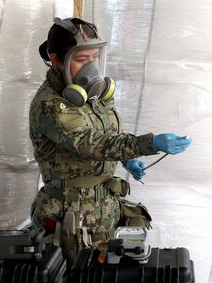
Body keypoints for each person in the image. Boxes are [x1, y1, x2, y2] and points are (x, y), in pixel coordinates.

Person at [29, 17, 191, 265]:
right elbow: (93, 144)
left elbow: (110, 135)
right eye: (82, 59)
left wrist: (128, 159)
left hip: (104, 210)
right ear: (57, 59)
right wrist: (151, 143)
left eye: (95, 57)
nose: (91, 67)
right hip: (69, 220)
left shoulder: (93, 96)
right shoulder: (51, 105)